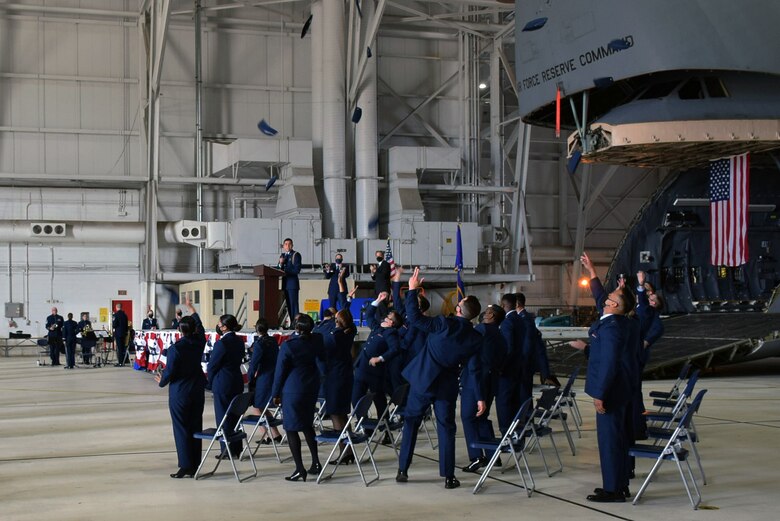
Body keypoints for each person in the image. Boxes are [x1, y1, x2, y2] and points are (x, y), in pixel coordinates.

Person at [396, 267, 484, 490]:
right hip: (447, 386)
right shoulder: (475, 338)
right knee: (446, 429)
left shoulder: (444, 324)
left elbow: (414, 318)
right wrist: (480, 397)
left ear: (457, 308)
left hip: (423, 381)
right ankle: (448, 476)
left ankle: (403, 469)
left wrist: (413, 290)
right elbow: (474, 369)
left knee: (411, 423)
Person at [154, 304, 207, 479]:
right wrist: (193, 311)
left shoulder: (176, 348)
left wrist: (161, 382)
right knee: (195, 425)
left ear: (179, 330)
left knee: (181, 428)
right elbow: (200, 327)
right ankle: (195, 463)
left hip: (180, 392)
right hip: (197, 389)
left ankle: (185, 465)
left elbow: (169, 372)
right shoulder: (199, 343)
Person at [271, 314, 325, 482]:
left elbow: (280, 373)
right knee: (307, 426)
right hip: (310, 387)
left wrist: (275, 394)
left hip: (293, 390)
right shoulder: (317, 340)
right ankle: (316, 462)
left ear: (297, 328)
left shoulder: (289, 346)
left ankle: (299, 469)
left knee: (292, 429)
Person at [462, 304, 506, 472]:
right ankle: (493, 455)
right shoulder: (501, 335)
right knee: (482, 418)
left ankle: (476, 456)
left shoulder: (482, 329)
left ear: (492, 316)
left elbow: (468, 348)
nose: (484, 314)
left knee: (468, 417)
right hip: (491, 380)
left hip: (475, 380)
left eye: (488, 312)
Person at [355, 292, 402, 417]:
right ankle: (364, 425)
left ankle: (385, 428)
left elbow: (395, 349)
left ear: (391, 323)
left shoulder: (390, 333)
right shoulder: (377, 328)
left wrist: (380, 358)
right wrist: (378, 300)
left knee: (379, 401)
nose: (385, 317)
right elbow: (369, 315)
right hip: (362, 367)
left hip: (375, 372)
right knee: (356, 398)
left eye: (388, 317)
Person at [206, 314, 245, 458]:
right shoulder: (239, 341)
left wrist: (209, 381)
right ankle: (237, 448)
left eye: (220, 323)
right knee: (235, 416)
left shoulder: (221, 343)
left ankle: (226, 450)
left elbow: (213, 365)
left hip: (223, 383)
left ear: (225, 326)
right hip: (236, 380)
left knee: (223, 416)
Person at [321, 309, 357, 462]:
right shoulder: (349, 332)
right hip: (345, 376)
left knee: (335, 413)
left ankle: (343, 450)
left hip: (335, 377)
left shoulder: (334, 337)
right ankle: (348, 451)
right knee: (343, 414)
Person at [247, 318, 281, 444]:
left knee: (257, 406)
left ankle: (265, 435)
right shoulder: (272, 341)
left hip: (263, 378)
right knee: (264, 406)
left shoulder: (259, 344)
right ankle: (276, 434)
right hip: (273, 375)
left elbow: (254, 364)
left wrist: (250, 378)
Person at [277, 238, 302, 321]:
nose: (287, 245)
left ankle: (296, 323)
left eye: (289, 244)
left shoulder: (296, 255)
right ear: (283, 246)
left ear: (292, 245)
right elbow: (278, 269)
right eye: (286, 244)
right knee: (288, 305)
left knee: (293, 304)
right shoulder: (282, 256)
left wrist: (285, 271)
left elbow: (296, 270)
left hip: (292, 284)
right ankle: (292, 323)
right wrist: (281, 263)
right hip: (285, 284)